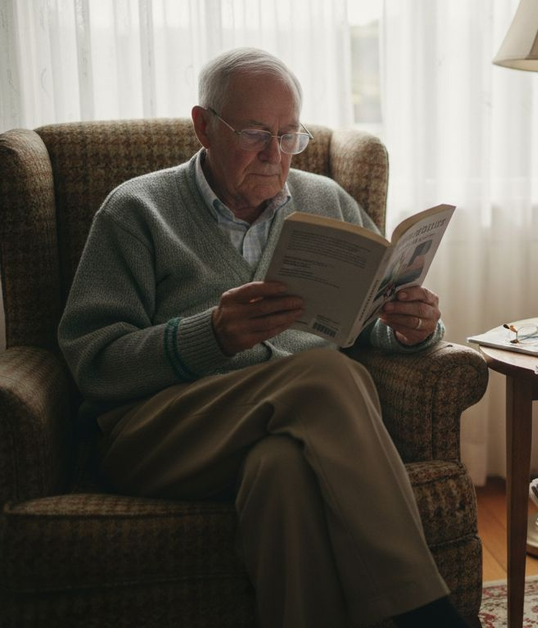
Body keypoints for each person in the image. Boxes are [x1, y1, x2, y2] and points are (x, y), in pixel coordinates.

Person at [58, 48, 470, 628]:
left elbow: (364, 317)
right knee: (328, 374)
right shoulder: (136, 210)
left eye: (288, 134)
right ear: (204, 126)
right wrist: (211, 335)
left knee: (281, 470)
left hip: (283, 427)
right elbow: (92, 362)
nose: (274, 153)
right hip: (156, 436)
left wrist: (413, 328)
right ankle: (427, 614)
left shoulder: (326, 201)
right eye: (255, 132)